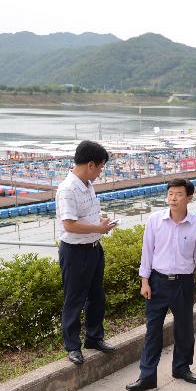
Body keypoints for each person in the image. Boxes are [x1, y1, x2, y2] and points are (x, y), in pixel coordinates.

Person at [127, 179, 196, 391]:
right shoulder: (155, 221)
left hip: (183, 283)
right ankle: (147, 376)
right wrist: (144, 281)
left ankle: (181, 368)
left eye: (179, 194)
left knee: (184, 329)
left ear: (189, 198)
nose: (173, 198)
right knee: (153, 330)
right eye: (170, 194)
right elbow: (147, 252)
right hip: (157, 282)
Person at [56, 140, 118, 365]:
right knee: (74, 299)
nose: (101, 172)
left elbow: (85, 219)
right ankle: (73, 346)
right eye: (101, 167)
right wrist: (98, 228)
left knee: (96, 297)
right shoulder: (68, 189)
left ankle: (94, 338)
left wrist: (100, 223)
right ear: (91, 164)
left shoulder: (87, 184)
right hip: (75, 252)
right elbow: (69, 225)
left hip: (93, 248)